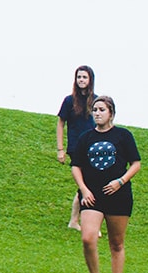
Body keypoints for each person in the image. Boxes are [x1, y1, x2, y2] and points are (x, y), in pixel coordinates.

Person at [68, 95, 141, 273]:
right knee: (88, 238)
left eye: (102, 110)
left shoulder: (123, 136)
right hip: (92, 196)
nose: (97, 114)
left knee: (116, 243)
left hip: (118, 196)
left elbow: (136, 163)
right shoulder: (86, 138)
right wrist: (83, 189)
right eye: (95, 110)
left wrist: (121, 181)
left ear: (111, 113)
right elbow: (76, 166)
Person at [57, 66, 97, 230]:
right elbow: (60, 123)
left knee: (89, 183)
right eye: (79, 77)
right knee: (86, 182)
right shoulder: (69, 100)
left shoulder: (96, 100)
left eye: (84, 77)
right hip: (76, 147)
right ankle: (80, 221)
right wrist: (60, 149)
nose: (81, 80)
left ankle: (77, 220)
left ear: (90, 80)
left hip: (93, 147)